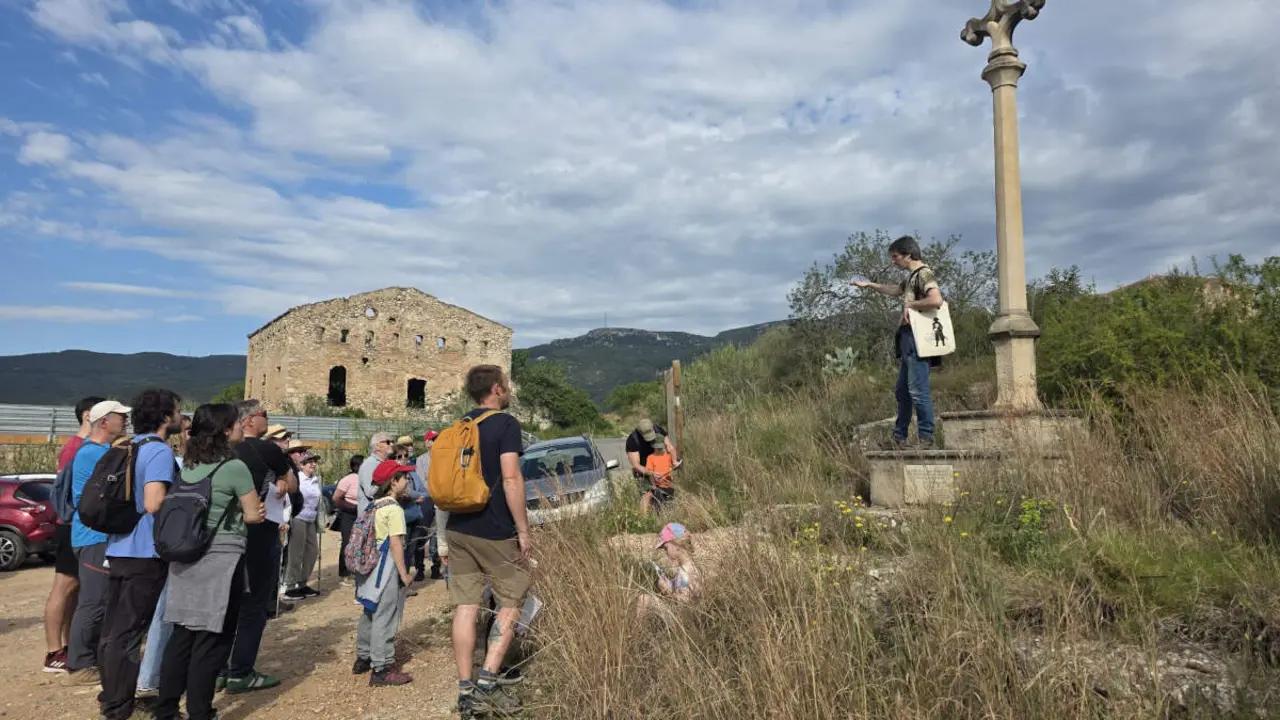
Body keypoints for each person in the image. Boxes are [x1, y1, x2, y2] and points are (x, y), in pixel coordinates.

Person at [153, 403, 265, 720]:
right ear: (226, 430)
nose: (243, 427)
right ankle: (200, 712)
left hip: (185, 557)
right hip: (222, 559)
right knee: (212, 638)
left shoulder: (190, 464)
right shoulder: (234, 467)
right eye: (237, 424)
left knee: (182, 636)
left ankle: (166, 710)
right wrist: (256, 513)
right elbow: (253, 514)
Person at [447, 365, 531, 717]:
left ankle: (465, 689)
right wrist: (523, 530)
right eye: (506, 386)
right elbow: (512, 478)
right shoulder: (505, 425)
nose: (508, 390)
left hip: (457, 527)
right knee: (512, 598)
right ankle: (486, 682)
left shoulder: (458, 427)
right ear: (496, 390)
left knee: (466, 607)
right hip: (494, 528)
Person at [98, 389, 183, 720]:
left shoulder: (129, 446)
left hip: (119, 547)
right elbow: (153, 502)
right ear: (164, 416)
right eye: (176, 410)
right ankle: (118, 707)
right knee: (129, 635)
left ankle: (110, 697)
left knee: (113, 633)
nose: (179, 415)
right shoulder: (159, 452)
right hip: (145, 554)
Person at [219, 399, 296, 694]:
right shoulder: (264, 449)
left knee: (226, 603)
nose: (268, 418)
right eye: (265, 414)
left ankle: (217, 668)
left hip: (223, 535)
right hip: (259, 531)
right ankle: (241, 671)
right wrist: (283, 473)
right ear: (249, 420)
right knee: (254, 604)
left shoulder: (217, 451)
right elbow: (291, 486)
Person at [852, 234, 945, 449]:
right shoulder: (912, 277)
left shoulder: (924, 274)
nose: (893, 261)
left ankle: (926, 438)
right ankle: (899, 438)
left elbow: (936, 299)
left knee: (918, 389)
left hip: (917, 339)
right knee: (903, 392)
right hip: (907, 340)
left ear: (908, 254)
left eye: (895, 257)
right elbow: (895, 290)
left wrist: (910, 306)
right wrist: (870, 285)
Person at [64, 399, 131, 687]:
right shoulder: (94, 454)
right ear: (104, 422)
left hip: (98, 535)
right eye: (120, 417)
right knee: (93, 600)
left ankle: (94, 656)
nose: (125, 421)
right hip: (94, 536)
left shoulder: (102, 452)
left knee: (103, 599)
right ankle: (79, 663)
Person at [42, 394, 103, 674]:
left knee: (76, 591)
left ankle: (70, 647)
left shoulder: (81, 446)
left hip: (74, 525)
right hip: (70, 526)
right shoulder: (76, 448)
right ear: (89, 415)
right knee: (63, 588)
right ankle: (54, 652)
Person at [352, 459, 415, 686]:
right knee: (386, 616)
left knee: (369, 610)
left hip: (369, 566)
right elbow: (396, 543)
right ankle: (382, 667)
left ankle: (364, 656)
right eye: (404, 477)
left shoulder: (374, 505)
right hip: (385, 568)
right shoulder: (393, 509)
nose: (407, 480)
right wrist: (404, 574)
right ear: (393, 481)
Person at [636, 522, 701, 620]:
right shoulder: (685, 568)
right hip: (680, 616)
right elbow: (682, 591)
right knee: (644, 598)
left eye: (666, 548)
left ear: (677, 544)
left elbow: (686, 603)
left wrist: (668, 592)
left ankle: (637, 633)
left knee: (644, 599)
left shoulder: (687, 571)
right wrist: (669, 586)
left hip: (682, 620)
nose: (666, 552)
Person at [283, 451, 323, 600]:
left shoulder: (316, 480)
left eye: (314, 461)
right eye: (308, 461)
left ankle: (302, 583)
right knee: (296, 553)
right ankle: (290, 585)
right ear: (301, 465)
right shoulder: (298, 479)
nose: (312, 464)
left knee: (312, 552)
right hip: (298, 518)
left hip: (311, 519)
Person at [393, 441, 429, 589]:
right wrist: (414, 496)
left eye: (405, 455)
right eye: (398, 456)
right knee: (398, 552)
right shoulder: (392, 473)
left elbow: (425, 492)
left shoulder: (412, 473)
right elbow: (401, 493)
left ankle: (404, 584)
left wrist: (411, 495)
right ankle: (396, 584)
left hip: (414, 516)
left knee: (409, 552)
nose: (403, 458)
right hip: (399, 519)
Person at [332, 455, 364, 585]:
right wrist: (349, 506)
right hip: (348, 514)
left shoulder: (366, 478)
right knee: (347, 542)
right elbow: (336, 497)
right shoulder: (347, 479)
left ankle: (358, 569)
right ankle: (344, 573)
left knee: (361, 542)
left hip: (362, 513)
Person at [416, 430, 443, 580]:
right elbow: (421, 481)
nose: (435, 441)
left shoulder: (445, 458)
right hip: (427, 499)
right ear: (427, 442)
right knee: (422, 533)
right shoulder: (421, 460)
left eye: (437, 438)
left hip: (440, 499)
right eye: (433, 439)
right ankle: (420, 569)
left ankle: (436, 568)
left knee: (438, 534)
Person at [626, 419, 678, 493]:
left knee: (667, 491)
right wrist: (651, 473)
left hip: (659, 466)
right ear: (640, 433)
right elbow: (636, 465)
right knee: (647, 494)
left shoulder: (658, 430)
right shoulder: (633, 440)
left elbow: (670, 447)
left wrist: (674, 461)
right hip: (643, 469)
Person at [639, 436, 679, 515]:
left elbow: (674, 467)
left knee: (670, 507)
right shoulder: (651, 457)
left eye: (660, 447)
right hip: (658, 487)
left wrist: (677, 465)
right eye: (657, 447)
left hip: (669, 486)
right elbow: (648, 471)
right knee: (659, 509)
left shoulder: (668, 456)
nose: (659, 449)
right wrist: (653, 475)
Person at [358, 432, 395, 513]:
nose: (392, 444)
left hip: (381, 513)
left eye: (393, 441)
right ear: (377, 446)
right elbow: (370, 492)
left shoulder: (384, 463)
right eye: (388, 442)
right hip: (370, 517)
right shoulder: (370, 464)